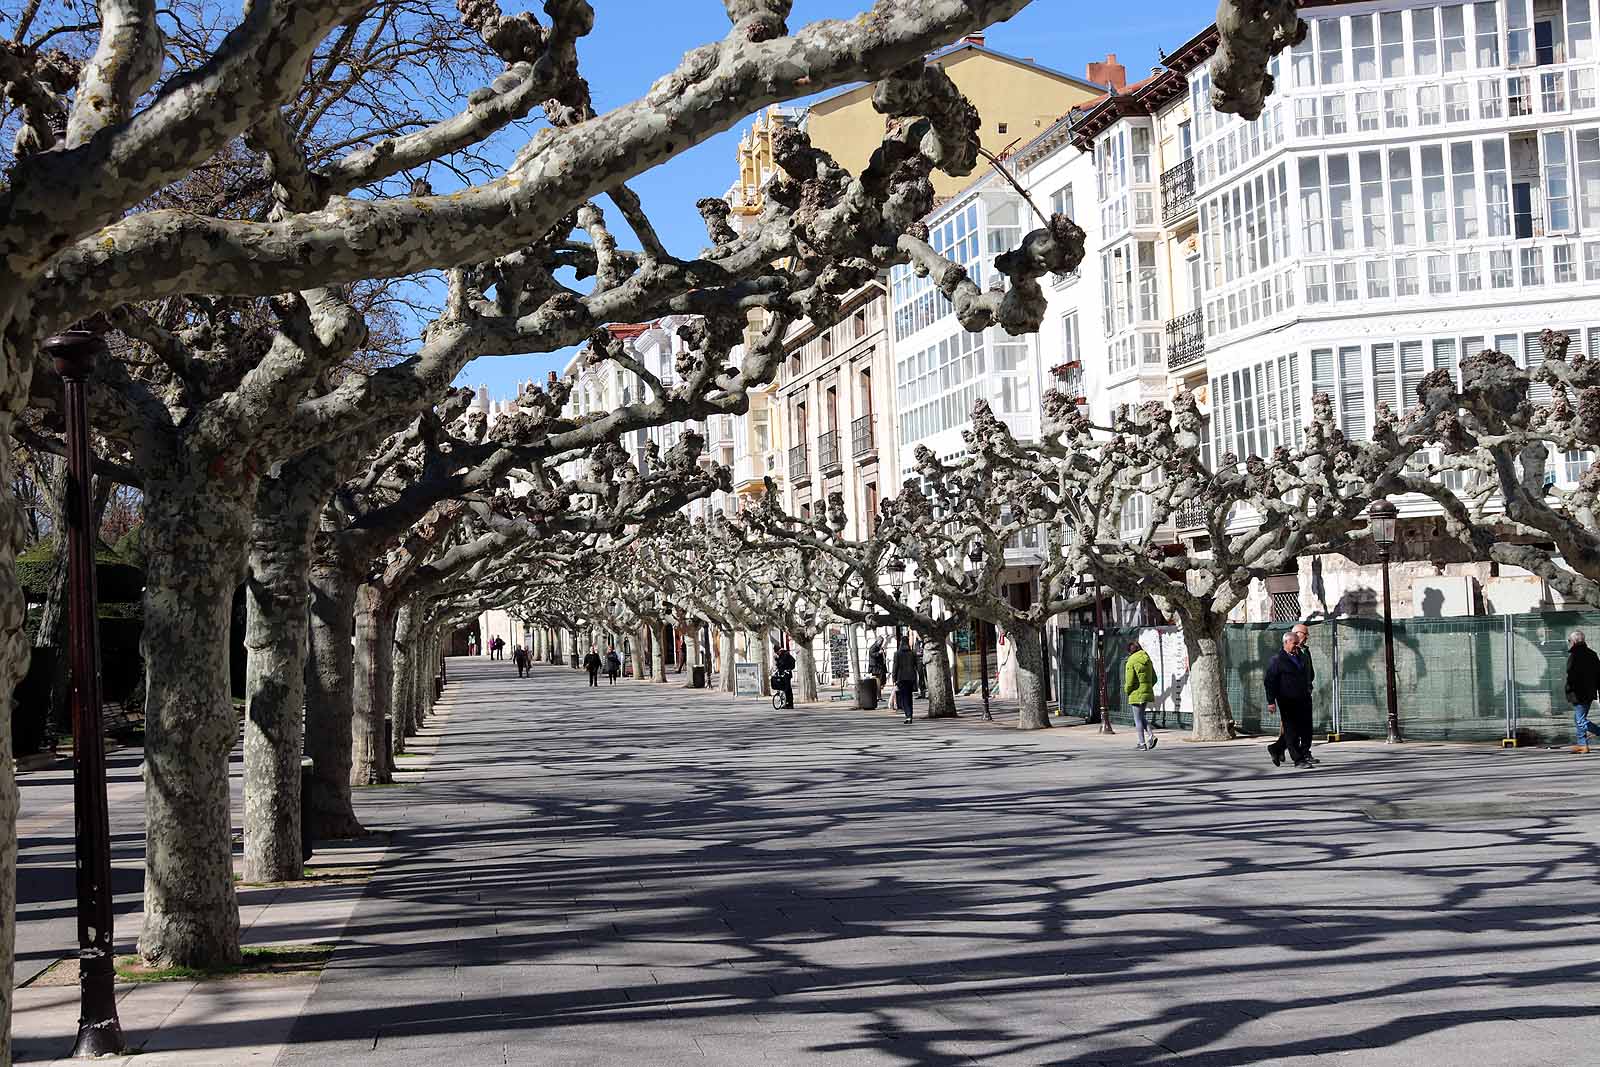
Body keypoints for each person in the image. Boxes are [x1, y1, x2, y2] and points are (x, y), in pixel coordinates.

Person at [1265, 631, 1314, 767]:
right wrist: (1271, 701)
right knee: (1291, 730)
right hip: (1287, 700)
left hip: (1303, 698)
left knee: (1303, 729)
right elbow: (1269, 681)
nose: (1297, 646)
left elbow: (1308, 674)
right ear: (1286, 643)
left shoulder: (1300, 657)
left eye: (1297, 643)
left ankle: (1276, 748)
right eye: (1294, 643)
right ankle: (1298, 759)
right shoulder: (1277, 660)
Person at [1566, 630, 1600, 753]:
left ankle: (1595, 734)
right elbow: (1598, 674)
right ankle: (1582, 745)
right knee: (1578, 718)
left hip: (1578, 693)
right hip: (1589, 692)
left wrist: (1569, 689)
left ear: (1574, 641)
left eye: (1569, 641)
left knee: (1580, 720)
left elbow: (1571, 675)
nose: (1569, 643)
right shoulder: (1592, 654)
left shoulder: (1574, 656)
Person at [1124, 639, 1158, 750]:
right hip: (1146, 692)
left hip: (1136, 693)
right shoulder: (1147, 659)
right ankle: (1151, 736)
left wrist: (1127, 690)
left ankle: (1142, 743)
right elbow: (1155, 678)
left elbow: (1129, 681)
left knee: (1137, 719)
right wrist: (1147, 687)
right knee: (1141, 717)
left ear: (1130, 651)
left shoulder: (1131, 661)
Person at [892, 635, 919, 724]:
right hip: (911, 678)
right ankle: (910, 715)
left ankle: (908, 716)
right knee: (909, 697)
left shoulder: (897, 654)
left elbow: (895, 667)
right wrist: (920, 678)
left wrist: (894, 677)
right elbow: (917, 666)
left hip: (901, 678)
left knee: (904, 698)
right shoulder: (913, 653)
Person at [773, 643, 796, 708]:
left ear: (779, 651)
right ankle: (786, 702)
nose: (777, 654)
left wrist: (777, 660)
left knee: (787, 689)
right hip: (783, 673)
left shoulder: (785, 655)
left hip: (786, 674)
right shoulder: (783, 654)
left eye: (777, 653)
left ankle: (789, 703)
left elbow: (782, 664)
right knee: (785, 688)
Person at [867, 639, 889, 703]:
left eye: (882, 642)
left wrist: (884, 653)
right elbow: (872, 654)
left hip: (880, 667)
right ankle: (878, 696)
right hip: (876, 668)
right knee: (878, 682)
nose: (882, 643)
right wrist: (879, 653)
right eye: (881, 642)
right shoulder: (874, 647)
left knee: (881, 681)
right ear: (878, 641)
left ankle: (878, 696)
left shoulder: (879, 647)